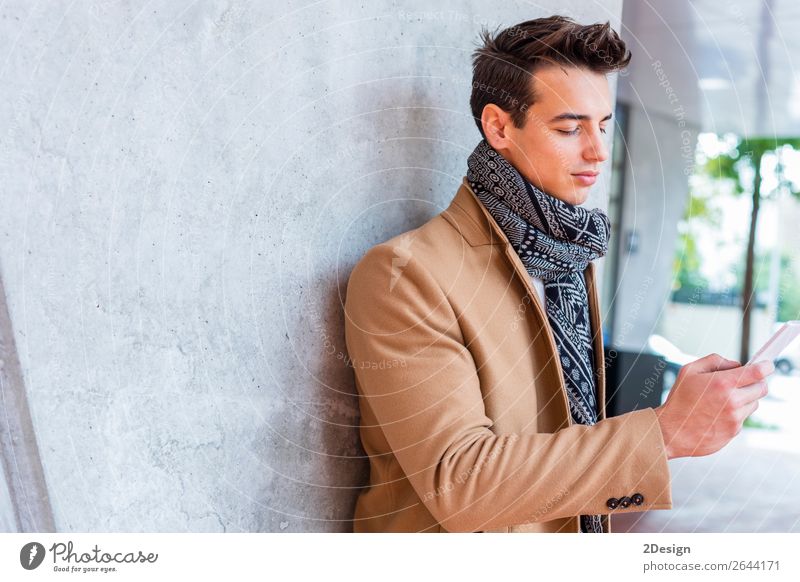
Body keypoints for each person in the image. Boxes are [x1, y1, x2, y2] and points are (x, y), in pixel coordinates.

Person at [343, 15, 774, 533]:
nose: (597, 150)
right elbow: (459, 483)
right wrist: (663, 432)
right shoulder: (406, 274)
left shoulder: (565, 256)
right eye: (570, 128)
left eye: (604, 125)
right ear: (499, 127)